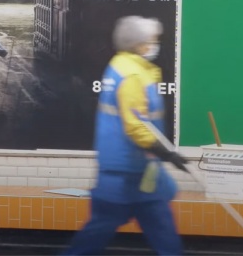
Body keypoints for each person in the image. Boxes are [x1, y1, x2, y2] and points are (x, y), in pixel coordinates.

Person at [63, 16, 188, 255]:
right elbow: (135, 125)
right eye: (152, 39)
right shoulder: (132, 76)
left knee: (160, 229)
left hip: (137, 171)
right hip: (125, 173)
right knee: (99, 232)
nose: (155, 44)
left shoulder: (123, 67)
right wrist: (166, 153)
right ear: (139, 44)